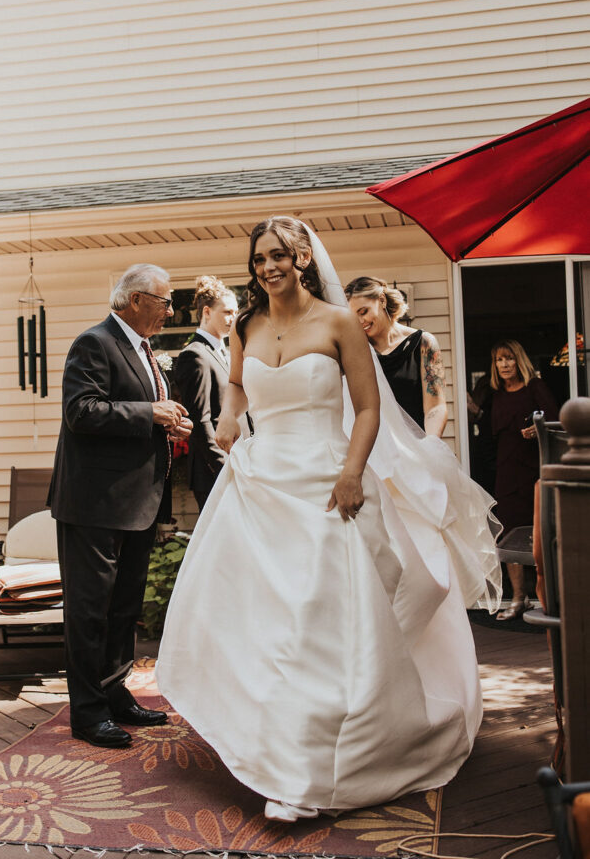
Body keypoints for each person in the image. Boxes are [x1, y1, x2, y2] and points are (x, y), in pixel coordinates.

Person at [157, 216, 501, 821]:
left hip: (326, 485)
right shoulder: (246, 325)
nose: (269, 267)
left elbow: (368, 408)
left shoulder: (339, 322)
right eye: (260, 257)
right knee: (266, 622)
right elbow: (235, 388)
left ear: (304, 260)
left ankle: (311, 772)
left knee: (313, 622)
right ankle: (284, 754)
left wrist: (350, 473)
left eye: (280, 256)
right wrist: (230, 421)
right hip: (261, 486)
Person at [48, 263, 192, 748]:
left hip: (137, 504)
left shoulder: (147, 352)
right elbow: (80, 410)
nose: (172, 310)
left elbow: (140, 418)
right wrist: (149, 411)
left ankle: (114, 695)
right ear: (135, 300)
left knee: (122, 609)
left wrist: (171, 423)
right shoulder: (95, 343)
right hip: (93, 504)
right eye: (165, 300)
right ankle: (88, 713)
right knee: (89, 612)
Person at [490, 339, 559, 621]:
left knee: (538, 533)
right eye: (499, 360)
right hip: (506, 471)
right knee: (508, 532)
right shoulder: (494, 394)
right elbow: (486, 429)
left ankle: (547, 597)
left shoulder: (535, 388)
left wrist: (537, 429)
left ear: (519, 361)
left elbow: (555, 421)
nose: (505, 365)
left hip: (532, 468)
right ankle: (519, 598)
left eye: (509, 359)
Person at [344, 276, 448, 436]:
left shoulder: (424, 343)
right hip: (374, 452)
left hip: (417, 447)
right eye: (353, 317)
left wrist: (431, 445)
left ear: (382, 300)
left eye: (363, 312)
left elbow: (435, 407)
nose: (360, 321)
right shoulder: (356, 351)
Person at [174, 276, 238, 511]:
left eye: (236, 312)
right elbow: (200, 420)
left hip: (236, 459)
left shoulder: (227, 354)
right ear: (208, 312)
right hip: (212, 469)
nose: (233, 318)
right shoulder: (195, 355)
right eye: (228, 312)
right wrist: (224, 466)